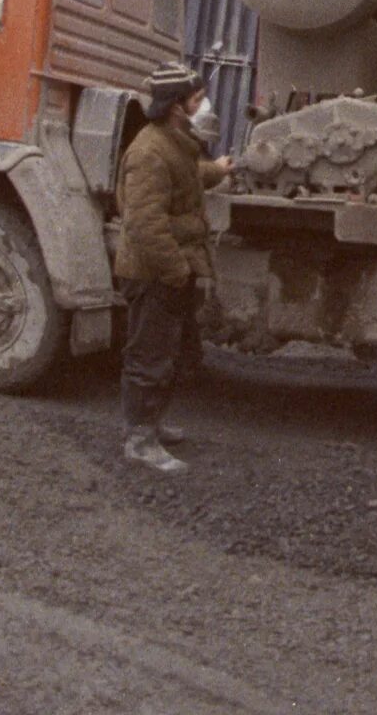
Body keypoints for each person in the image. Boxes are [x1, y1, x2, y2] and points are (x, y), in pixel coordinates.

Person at [112, 66, 231, 473]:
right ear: (175, 106)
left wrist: (221, 170)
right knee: (149, 355)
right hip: (153, 272)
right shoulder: (149, 152)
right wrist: (178, 270)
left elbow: (189, 176)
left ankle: (151, 424)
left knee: (169, 352)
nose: (203, 106)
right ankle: (139, 440)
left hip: (166, 269)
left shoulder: (173, 143)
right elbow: (144, 223)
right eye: (196, 100)